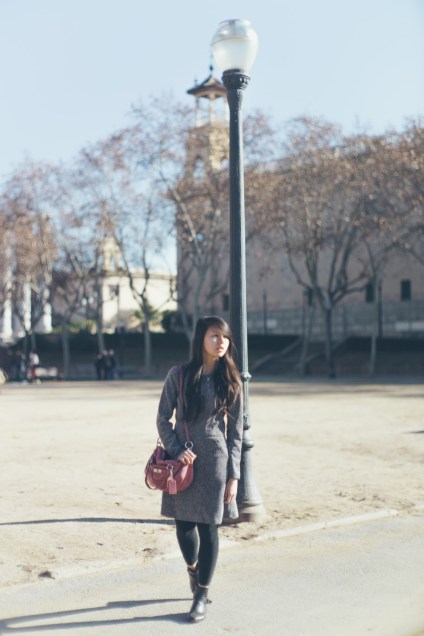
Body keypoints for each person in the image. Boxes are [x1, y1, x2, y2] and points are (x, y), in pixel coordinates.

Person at [156, 316, 243, 623]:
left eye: (225, 337)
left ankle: (201, 594)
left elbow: (236, 432)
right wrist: (177, 450)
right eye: (214, 336)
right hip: (181, 463)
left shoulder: (231, 379)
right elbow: (162, 418)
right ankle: (193, 570)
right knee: (183, 526)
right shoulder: (179, 375)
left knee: (209, 527)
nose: (221, 342)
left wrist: (234, 475)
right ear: (201, 339)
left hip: (216, 460)